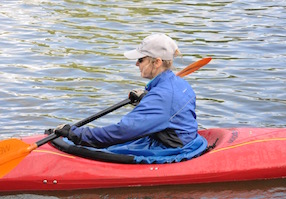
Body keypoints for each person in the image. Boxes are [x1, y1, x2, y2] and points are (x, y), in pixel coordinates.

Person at [52, 33, 208, 163]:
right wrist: (146, 96)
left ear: (157, 62)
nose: (136, 64)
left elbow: (122, 131)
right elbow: (167, 108)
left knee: (100, 146)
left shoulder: (162, 97)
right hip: (178, 139)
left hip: (171, 149)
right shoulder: (178, 83)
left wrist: (76, 134)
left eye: (141, 60)